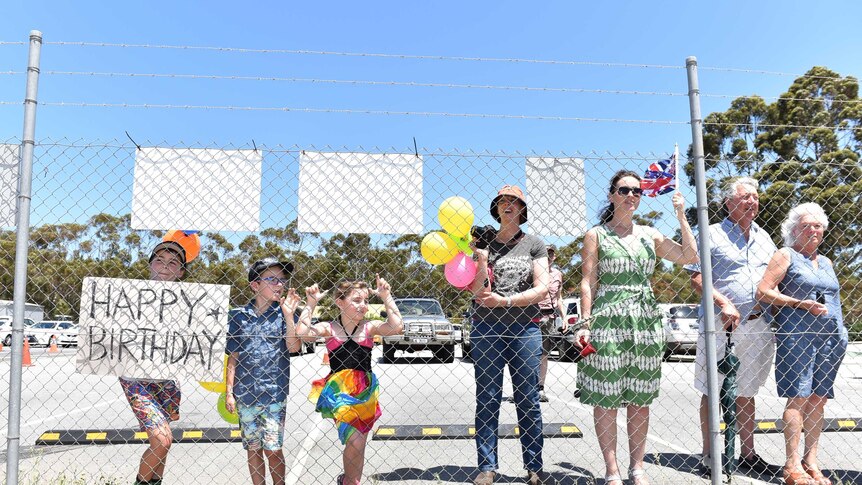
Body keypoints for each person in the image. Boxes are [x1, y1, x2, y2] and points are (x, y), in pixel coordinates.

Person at [574, 170, 697, 485]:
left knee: (640, 400)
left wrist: (682, 216)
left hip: (644, 322)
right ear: (612, 194)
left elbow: (689, 255)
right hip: (607, 321)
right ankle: (612, 470)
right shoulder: (596, 235)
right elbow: (588, 282)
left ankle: (637, 468)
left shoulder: (650, 234)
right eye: (624, 189)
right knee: (607, 399)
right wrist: (584, 322)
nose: (631, 195)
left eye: (637, 191)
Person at [685, 176, 780, 476]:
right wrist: (724, 302)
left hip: (758, 325)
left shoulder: (765, 238)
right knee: (712, 390)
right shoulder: (710, 234)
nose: (752, 202)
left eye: (755, 196)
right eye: (745, 197)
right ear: (728, 203)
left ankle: (747, 455)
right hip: (719, 324)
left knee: (747, 390)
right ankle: (709, 455)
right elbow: (697, 276)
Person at [756, 203, 847, 485]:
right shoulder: (786, 255)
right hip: (798, 337)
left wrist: (840, 331)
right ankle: (791, 465)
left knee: (819, 398)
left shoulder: (827, 262)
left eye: (818, 226)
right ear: (794, 229)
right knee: (798, 397)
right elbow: (763, 291)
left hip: (830, 338)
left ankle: (811, 460)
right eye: (806, 225)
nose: (813, 230)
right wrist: (798, 303)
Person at [468, 185, 550, 485]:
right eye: (502, 201)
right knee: (487, 397)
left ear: (522, 210)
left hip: (524, 327)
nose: (508, 205)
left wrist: (506, 301)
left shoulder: (534, 244)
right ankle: (487, 466)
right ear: (496, 208)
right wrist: (480, 257)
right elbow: (476, 291)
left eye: (514, 202)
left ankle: (534, 466)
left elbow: (541, 288)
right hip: (486, 327)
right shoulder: (483, 244)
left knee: (527, 397)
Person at [297, 275, 403, 485]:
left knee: (360, 442)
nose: (362, 305)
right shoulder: (329, 328)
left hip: (365, 391)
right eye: (356, 300)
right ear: (340, 302)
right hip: (340, 392)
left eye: (365, 301)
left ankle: (350, 480)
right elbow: (302, 334)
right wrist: (310, 303)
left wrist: (386, 296)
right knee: (354, 439)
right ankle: (351, 481)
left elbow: (397, 327)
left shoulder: (369, 327)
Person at [224, 258, 303, 485]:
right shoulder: (238, 317)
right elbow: (234, 357)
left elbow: (294, 347)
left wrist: (289, 315)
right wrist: (230, 392)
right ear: (255, 285)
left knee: (273, 449)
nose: (280, 285)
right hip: (245, 394)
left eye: (282, 280)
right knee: (253, 448)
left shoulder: (285, 315)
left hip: (274, 395)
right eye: (272, 279)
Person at [120, 241, 189, 485]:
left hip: (167, 379)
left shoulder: (189, 302)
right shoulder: (128, 295)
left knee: (164, 442)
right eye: (160, 260)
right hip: (135, 377)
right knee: (162, 439)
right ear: (150, 264)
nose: (165, 266)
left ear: (180, 271)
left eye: (173, 263)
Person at [537, 244, 565, 402]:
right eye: (545, 253)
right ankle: (523, 388)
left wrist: (564, 317)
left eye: (551, 254)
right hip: (531, 316)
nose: (548, 257)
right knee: (526, 355)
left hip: (549, 317)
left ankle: (540, 388)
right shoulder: (533, 272)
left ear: (554, 257)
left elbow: (559, 297)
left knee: (543, 354)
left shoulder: (557, 274)